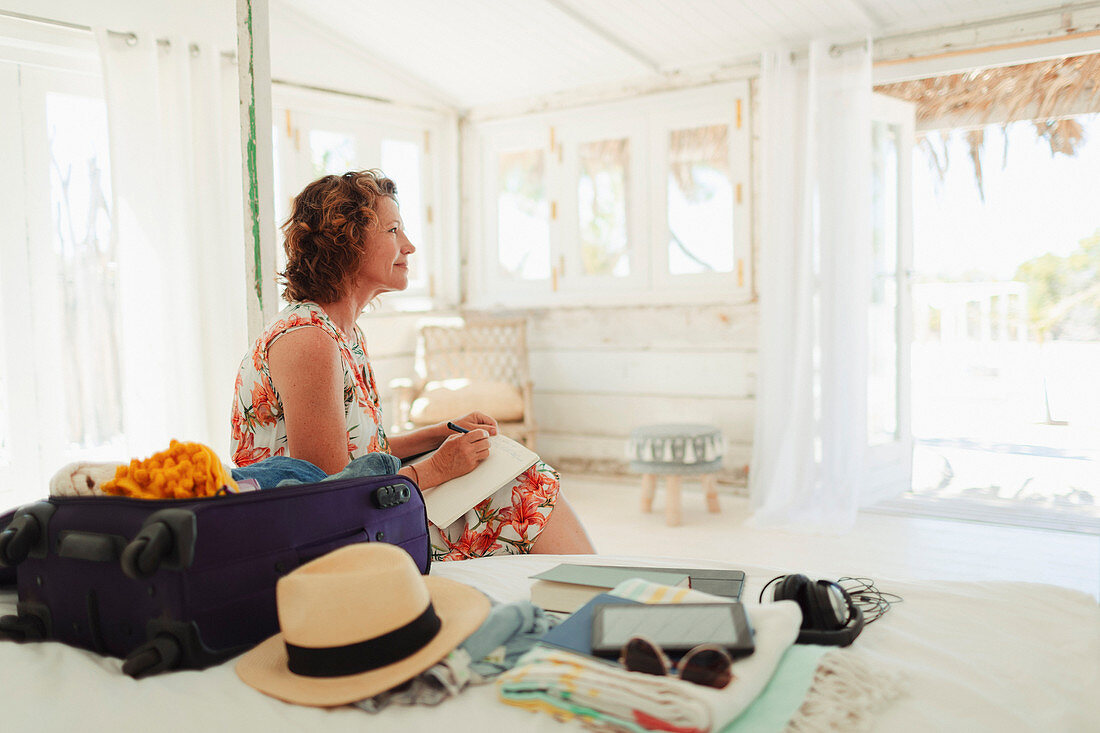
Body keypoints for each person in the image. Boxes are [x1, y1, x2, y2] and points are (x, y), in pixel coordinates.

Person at [230, 170, 594, 560]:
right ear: (347, 243)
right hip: (311, 544)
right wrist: (436, 468)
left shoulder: (343, 332)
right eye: (393, 230)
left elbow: (361, 455)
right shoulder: (308, 340)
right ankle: (600, 605)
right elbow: (332, 496)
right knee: (520, 489)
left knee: (511, 473)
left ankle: (590, 601)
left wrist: (441, 432)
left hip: (351, 520)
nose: (409, 246)